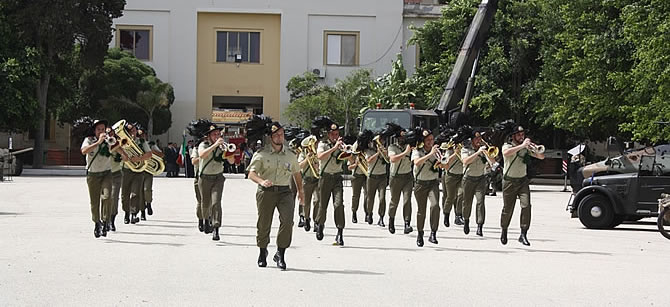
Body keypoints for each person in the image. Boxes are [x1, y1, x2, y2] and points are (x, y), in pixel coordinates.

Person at [247, 121, 304, 270]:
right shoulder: (261, 154)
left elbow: (297, 173)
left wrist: (301, 192)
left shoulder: (290, 155)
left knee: (287, 222)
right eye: (276, 135)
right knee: (264, 223)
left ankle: (281, 253)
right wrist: (261, 181)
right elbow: (251, 174)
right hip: (266, 192)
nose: (280, 137)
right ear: (270, 137)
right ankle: (262, 251)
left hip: (285, 191)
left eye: (281, 134)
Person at [500, 125, 544, 246]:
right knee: (508, 209)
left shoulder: (525, 148)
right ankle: (504, 229)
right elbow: (506, 153)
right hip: (509, 182)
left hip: (522, 181)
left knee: (526, 206)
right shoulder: (507, 146)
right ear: (513, 136)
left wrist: (534, 148)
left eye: (523, 134)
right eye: (519, 134)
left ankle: (523, 233)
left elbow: (541, 156)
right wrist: (522, 146)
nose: (521, 136)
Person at [80, 119, 124, 238]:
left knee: (107, 197)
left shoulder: (109, 141)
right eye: (99, 129)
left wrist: (119, 144)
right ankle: (96, 223)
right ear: (94, 131)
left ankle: (106, 221)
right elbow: (84, 151)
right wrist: (98, 143)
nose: (101, 131)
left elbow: (120, 148)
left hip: (106, 173)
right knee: (94, 202)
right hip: (93, 175)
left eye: (103, 129)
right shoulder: (88, 140)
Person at [314, 121, 346, 245]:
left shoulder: (341, 145)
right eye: (333, 134)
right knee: (323, 204)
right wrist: (334, 148)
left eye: (337, 134)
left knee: (339, 204)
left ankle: (340, 232)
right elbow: (320, 156)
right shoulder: (323, 144)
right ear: (328, 134)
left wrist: (346, 151)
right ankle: (320, 224)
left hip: (337, 177)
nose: (335, 136)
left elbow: (349, 158)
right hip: (325, 178)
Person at [461, 130, 494, 236]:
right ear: (471, 140)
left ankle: (480, 226)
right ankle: (466, 220)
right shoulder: (465, 149)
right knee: (467, 203)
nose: (479, 140)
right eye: (476, 139)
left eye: (480, 138)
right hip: (468, 179)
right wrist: (478, 152)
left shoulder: (484, 149)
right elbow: (465, 161)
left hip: (481, 178)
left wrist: (488, 153)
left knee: (480, 201)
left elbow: (492, 162)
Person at [198, 123, 228, 241]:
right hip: (205, 178)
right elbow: (202, 155)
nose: (217, 136)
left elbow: (231, 162)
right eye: (214, 134)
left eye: (218, 134)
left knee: (216, 202)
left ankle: (216, 228)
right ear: (209, 136)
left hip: (218, 178)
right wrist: (215, 145)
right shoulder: (203, 145)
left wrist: (228, 151)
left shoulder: (222, 146)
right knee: (205, 203)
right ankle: (206, 220)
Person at [411, 128, 441, 247]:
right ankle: (420, 233)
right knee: (421, 210)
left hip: (433, 183)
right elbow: (417, 163)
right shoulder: (417, 151)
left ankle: (433, 233)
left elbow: (446, 164)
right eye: (428, 140)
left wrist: (443, 162)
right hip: (420, 184)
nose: (430, 142)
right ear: (423, 141)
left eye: (432, 139)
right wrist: (430, 154)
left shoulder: (436, 151)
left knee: (435, 206)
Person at [120, 123, 152, 224]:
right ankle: (126, 213)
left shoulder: (141, 142)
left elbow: (149, 154)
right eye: (130, 132)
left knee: (135, 193)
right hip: (126, 170)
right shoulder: (122, 142)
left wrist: (139, 158)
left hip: (138, 170)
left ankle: (134, 214)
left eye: (134, 131)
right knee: (125, 194)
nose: (132, 134)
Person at [387, 129, 414, 235]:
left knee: (407, 200)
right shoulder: (392, 147)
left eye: (405, 137)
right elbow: (393, 159)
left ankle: (407, 223)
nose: (403, 139)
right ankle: (391, 220)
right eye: (401, 137)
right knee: (394, 201)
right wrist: (405, 153)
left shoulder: (410, 146)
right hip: (396, 177)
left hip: (407, 176)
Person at [441, 136, 465, 228]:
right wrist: (456, 153)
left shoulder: (465, 150)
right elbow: (444, 162)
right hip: (451, 176)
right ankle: (446, 214)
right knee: (450, 197)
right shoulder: (449, 151)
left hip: (461, 176)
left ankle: (458, 215)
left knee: (461, 194)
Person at [365, 135, 388, 227]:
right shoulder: (369, 151)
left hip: (382, 176)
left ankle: (381, 217)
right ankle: (369, 213)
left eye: (382, 140)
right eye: (379, 141)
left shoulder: (384, 150)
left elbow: (388, 160)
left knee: (382, 198)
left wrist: (385, 153)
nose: (381, 142)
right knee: (370, 198)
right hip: (372, 177)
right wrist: (378, 153)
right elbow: (369, 160)